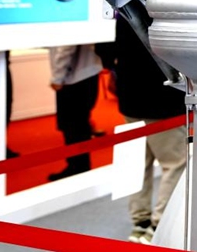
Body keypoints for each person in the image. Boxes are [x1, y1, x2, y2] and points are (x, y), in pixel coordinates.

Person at [96, 15, 187, 244]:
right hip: (162, 99)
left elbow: (106, 47)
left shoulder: (124, 6)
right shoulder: (169, 9)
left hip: (130, 95)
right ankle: (159, 224)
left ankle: (140, 222)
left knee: (136, 163)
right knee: (174, 163)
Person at [47, 43, 102, 181]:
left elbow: (66, 47)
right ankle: (79, 167)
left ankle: (77, 168)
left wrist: (57, 76)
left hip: (74, 78)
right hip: (85, 73)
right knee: (79, 126)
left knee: (73, 128)